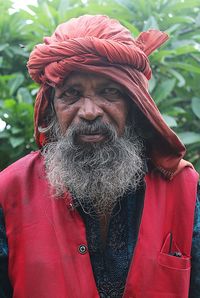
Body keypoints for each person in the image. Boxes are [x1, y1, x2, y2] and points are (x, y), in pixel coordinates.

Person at [0, 14, 199, 298]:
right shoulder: (8, 191)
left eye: (109, 92)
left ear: (134, 104)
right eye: (71, 93)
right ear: (51, 107)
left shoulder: (185, 190)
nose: (90, 111)